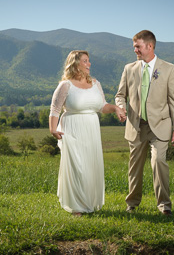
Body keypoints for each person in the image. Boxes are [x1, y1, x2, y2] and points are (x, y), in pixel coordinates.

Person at [49, 50, 126, 216]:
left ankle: (88, 202)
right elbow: (55, 108)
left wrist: (115, 108)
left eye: (89, 61)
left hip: (91, 128)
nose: (89, 64)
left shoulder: (95, 84)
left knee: (90, 166)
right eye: (85, 61)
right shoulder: (65, 85)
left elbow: (102, 106)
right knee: (77, 166)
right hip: (72, 128)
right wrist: (53, 129)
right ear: (75, 64)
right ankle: (76, 206)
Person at [115, 30, 174, 216]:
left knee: (158, 161)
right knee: (134, 166)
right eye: (134, 47)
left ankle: (164, 206)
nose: (135, 50)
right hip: (136, 126)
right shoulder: (129, 68)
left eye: (137, 46)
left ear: (150, 46)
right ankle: (132, 204)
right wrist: (120, 107)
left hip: (160, 125)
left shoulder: (168, 69)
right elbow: (120, 95)